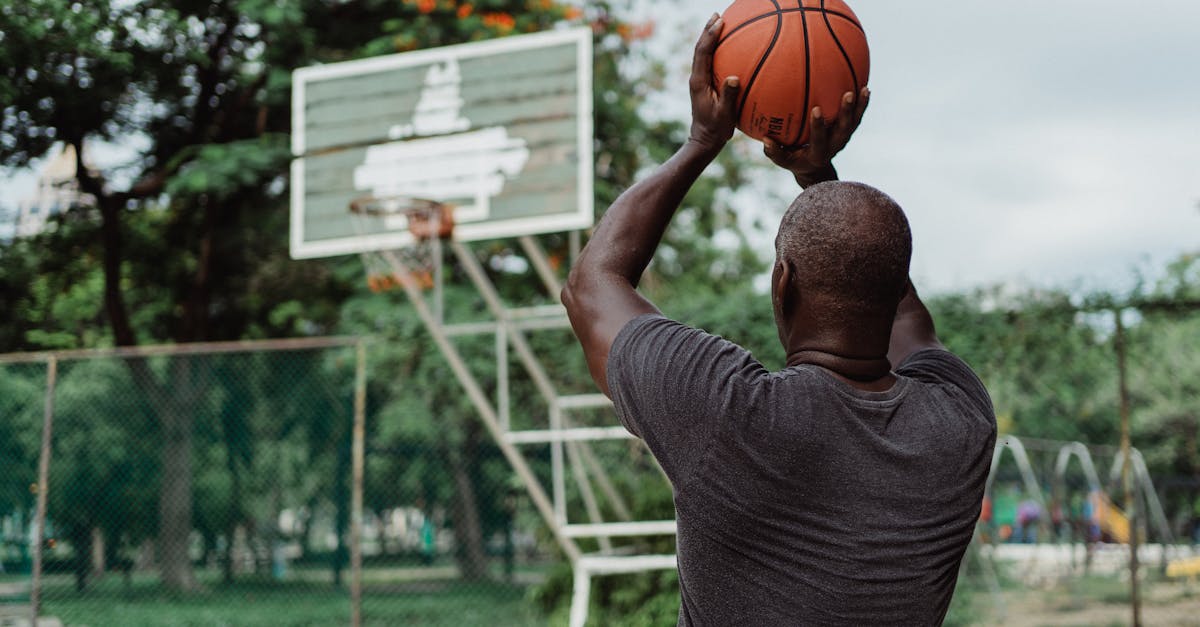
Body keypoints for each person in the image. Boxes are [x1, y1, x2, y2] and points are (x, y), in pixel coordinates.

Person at [560, 14, 997, 626]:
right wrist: (818, 178)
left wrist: (701, 142)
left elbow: (590, 286)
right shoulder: (960, 421)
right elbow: (904, 317)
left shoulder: (729, 414)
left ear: (782, 284)